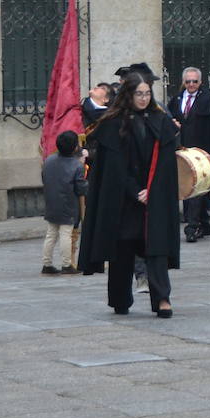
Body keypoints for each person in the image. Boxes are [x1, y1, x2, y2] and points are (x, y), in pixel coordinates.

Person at [79, 72, 181, 318]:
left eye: (147, 93)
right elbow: (114, 168)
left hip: (153, 197)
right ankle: (120, 298)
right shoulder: (113, 124)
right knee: (123, 249)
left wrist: (152, 190)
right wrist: (135, 191)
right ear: (129, 95)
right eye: (139, 94)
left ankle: (162, 299)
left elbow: (168, 163)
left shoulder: (161, 120)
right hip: (124, 200)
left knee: (155, 248)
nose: (144, 98)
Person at [168, 67, 210, 242]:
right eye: (188, 81)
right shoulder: (177, 99)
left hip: (201, 150)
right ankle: (203, 223)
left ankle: (192, 226)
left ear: (200, 82)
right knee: (188, 187)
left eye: (194, 81)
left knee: (197, 187)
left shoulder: (208, 99)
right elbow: (170, 119)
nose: (191, 85)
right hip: (182, 149)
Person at [41, 130, 86, 275]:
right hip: (68, 204)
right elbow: (81, 188)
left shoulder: (49, 160)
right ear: (74, 148)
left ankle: (46, 264)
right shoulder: (77, 165)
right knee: (66, 233)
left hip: (51, 201)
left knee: (51, 233)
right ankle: (67, 264)